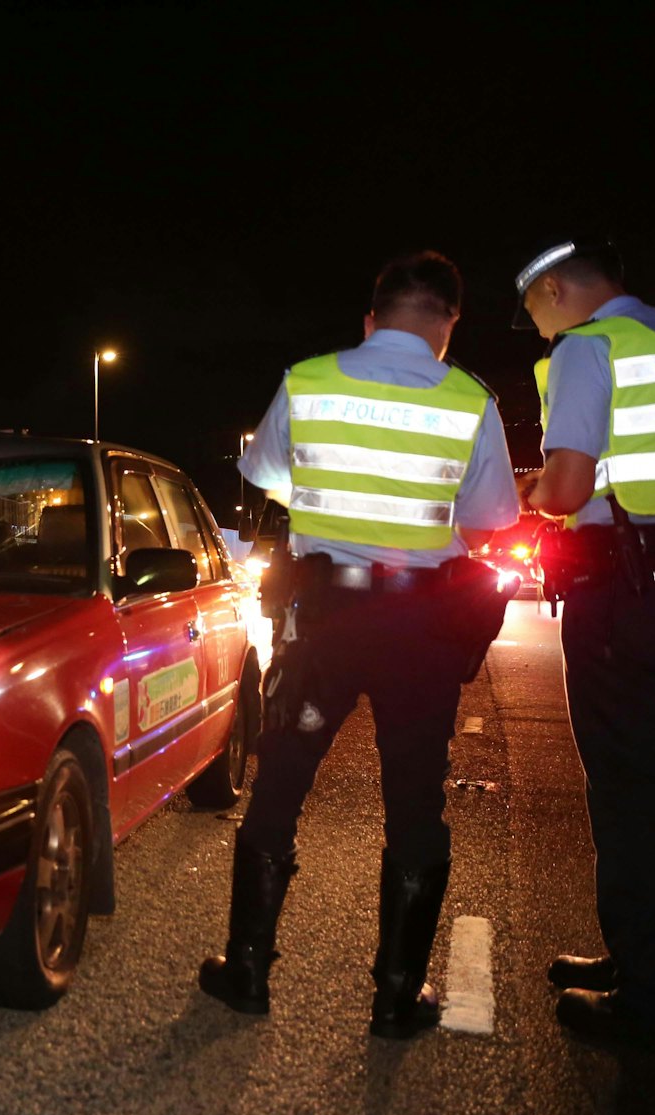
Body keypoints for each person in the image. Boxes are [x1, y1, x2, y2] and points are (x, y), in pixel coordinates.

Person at [199, 251, 520, 1038]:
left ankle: (247, 971)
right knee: (414, 800)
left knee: (283, 779)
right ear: (448, 325)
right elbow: (493, 519)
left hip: (326, 618)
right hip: (421, 628)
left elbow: (265, 471)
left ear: (371, 319)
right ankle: (396, 997)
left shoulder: (310, 379)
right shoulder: (470, 400)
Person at [514, 235, 655, 1048]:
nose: (537, 329)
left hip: (629, 590)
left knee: (633, 789)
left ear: (556, 291)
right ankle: (652, 960)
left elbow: (568, 486)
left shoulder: (589, 349)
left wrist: (530, 490)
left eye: (533, 311)